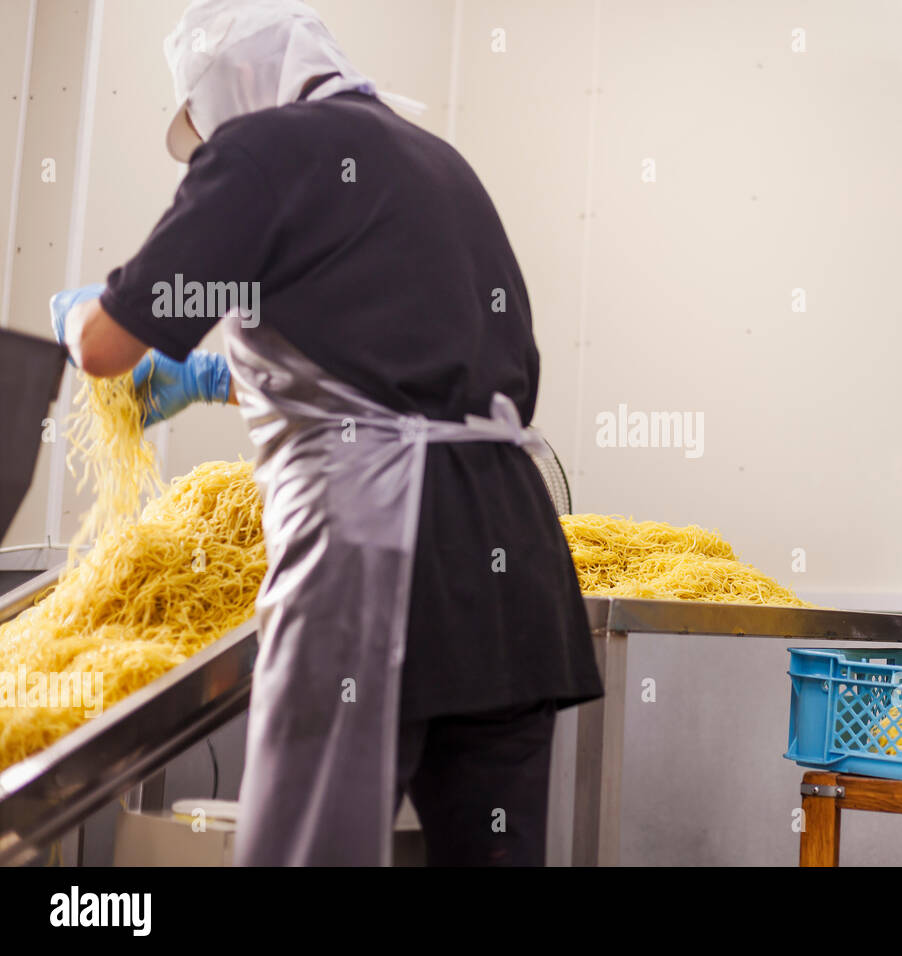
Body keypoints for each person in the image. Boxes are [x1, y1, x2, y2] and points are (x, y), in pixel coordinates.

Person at [51, 0, 602, 866]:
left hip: (374, 564)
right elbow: (389, 371)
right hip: (513, 577)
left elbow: (106, 348)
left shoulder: (260, 150)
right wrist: (208, 377)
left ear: (228, 91)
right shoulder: (438, 162)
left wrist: (81, 314)